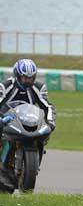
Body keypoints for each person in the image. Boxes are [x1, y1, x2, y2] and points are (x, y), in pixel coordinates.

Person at [0, 59, 57, 189]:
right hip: (5, 120)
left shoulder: (38, 87)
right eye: (25, 77)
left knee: (44, 133)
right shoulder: (6, 86)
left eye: (31, 78)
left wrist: (51, 122)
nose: (28, 81)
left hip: (28, 121)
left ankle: (34, 163)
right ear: (17, 75)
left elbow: (48, 106)